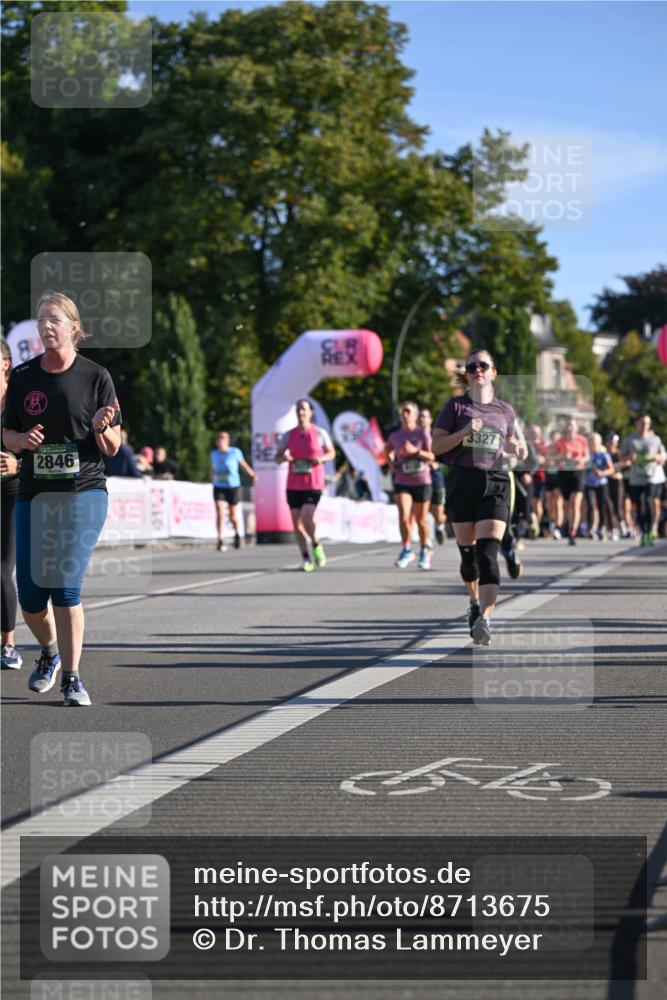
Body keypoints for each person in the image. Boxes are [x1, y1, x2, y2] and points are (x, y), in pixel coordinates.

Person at [2, 292, 121, 706]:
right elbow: (7, 434)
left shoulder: (95, 375)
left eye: (54, 319)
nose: (46, 327)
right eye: (41, 321)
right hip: (35, 492)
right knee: (33, 595)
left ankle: (72, 677)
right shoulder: (22, 377)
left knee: (66, 586)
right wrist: (22, 439)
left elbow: (113, 446)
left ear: (74, 326)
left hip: (84, 490)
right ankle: (48, 654)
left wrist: (101, 427)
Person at [433, 348, 527, 645]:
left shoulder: (505, 410)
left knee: (487, 555)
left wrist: (517, 450)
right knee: (469, 558)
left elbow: (508, 443)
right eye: (472, 367)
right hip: (463, 481)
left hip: (496, 482)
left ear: (493, 372)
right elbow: (436, 447)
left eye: (483, 365)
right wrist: (462, 433)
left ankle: (486, 618)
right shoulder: (456, 407)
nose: (477, 371)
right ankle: (473, 603)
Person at [275, 399, 336, 571]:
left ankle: (316, 544)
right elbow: (277, 457)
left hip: (313, 483)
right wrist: (284, 457)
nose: (301, 412)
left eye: (304, 409)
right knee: (296, 523)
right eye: (298, 409)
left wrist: (321, 458)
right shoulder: (289, 435)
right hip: (294, 484)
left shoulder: (319, 433)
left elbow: (331, 453)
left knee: (307, 517)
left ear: (310, 412)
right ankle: (306, 557)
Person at [387, 401, 434, 570]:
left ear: (415, 415)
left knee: (421, 521)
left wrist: (415, 452)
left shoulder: (423, 433)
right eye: (402, 412)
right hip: (402, 480)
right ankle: (406, 549)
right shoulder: (395, 436)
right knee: (404, 516)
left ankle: (424, 550)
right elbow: (388, 450)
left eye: (408, 411)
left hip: (422, 481)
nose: (405, 415)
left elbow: (431, 457)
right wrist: (391, 460)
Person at [1, 338, 22, 670]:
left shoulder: (20, 400)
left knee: (2, 567)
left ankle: (8, 644)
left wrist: (19, 464)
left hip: (13, 490)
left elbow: (44, 444)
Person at [620, 414, 667, 546]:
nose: (644, 426)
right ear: (637, 424)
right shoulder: (630, 440)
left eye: (647, 423)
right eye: (642, 423)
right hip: (635, 478)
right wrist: (629, 457)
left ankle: (650, 531)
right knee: (638, 505)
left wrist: (657, 457)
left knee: (648, 500)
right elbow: (622, 457)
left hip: (651, 477)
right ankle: (643, 531)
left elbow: (663, 455)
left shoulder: (655, 439)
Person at [210, 430, 255, 551]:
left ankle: (237, 535)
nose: (220, 440)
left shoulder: (235, 452)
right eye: (219, 438)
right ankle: (220, 539)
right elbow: (213, 468)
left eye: (223, 438)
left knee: (232, 515)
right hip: (219, 485)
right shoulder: (214, 454)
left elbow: (243, 465)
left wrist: (252, 474)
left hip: (233, 486)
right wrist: (211, 479)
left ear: (228, 441)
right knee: (219, 511)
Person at [555, 418, 590, 545]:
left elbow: (587, 456)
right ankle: (566, 525)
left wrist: (581, 459)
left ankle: (572, 531)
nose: (570, 427)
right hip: (564, 473)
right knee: (566, 505)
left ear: (576, 427)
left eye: (572, 425)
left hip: (578, 472)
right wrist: (562, 457)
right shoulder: (560, 441)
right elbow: (552, 457)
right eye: (568, 425)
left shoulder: (582, 440)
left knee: (575, 503)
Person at [419, 407, 447, 545]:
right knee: (421, 511)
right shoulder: (414, 436)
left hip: (435, 475)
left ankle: (440, 526)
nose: (422, 419)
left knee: (438, 512)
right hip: (420, 476)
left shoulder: (436, 435)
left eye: (425, 416)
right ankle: (426, 541)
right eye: (420, 416)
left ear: (430, 419)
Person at [584, 433, 615, 539]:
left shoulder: (603, 455)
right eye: (591, 441)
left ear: (599, 442)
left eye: (594, 441)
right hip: (589, 484)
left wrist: (602, 473)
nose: (592, 443)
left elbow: (611, 469)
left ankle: (601, 527)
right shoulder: (586, 455)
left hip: (601, 483)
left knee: (602, 506)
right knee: (591, 506)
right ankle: (591, 528)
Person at [544, 429, 564, 538]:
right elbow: (544, 461)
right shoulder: (548, 448)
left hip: (559, 477)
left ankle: (558, 528)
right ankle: (552, 523)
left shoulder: (562, 449)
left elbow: (563, 459)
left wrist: (554, 459)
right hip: (549, 477)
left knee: (558, 503)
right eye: (553, 438)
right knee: (549, 504)